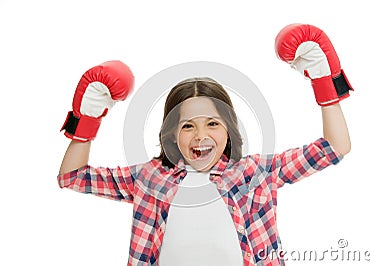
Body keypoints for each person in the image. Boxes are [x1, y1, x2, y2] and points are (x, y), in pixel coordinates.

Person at [58, 24, 352, 266]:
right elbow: (71, 177)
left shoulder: (255, 172)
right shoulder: (149, 177)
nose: (200, 136)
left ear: (228, 128)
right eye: (188, 126)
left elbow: (335, 147)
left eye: (212, 123)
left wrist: (325, 81)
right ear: (172, 134)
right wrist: (87, 120)